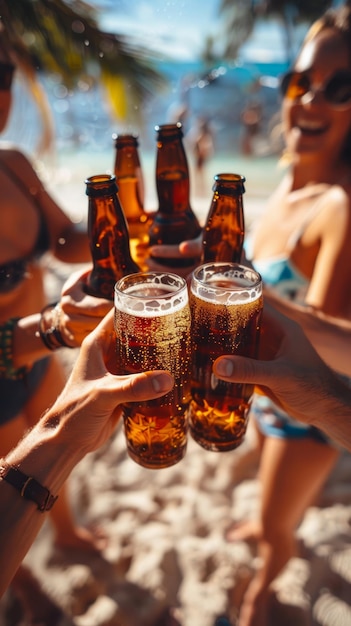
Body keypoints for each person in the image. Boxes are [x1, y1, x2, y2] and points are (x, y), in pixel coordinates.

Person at [0, 308, 174, 598]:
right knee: (10, 483)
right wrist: (52, 327)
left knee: (42, 466)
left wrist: (59, 321)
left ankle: (66, 531)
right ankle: (24, 584)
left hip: (36, 355)